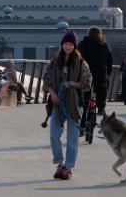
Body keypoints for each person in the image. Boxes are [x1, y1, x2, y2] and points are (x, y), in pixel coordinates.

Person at [42, 30, 92, 181]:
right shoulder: (55, 61)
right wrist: (53, 93)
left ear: (74, 46)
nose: (68, 47)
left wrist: (71, 84)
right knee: (54, 135)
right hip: (57, 103)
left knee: (72, 138)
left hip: (75, 104)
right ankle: (59, 163)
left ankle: (68, 167)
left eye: (71, 44)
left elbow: (87, 83)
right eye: (66, 44)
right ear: (62, 44)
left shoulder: (81, 63)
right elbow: (46, 81)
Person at [77, 26, 113, 115]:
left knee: (86, 90)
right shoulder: (104, 44)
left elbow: (77, 58)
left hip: (86, 71)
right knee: (102, 89)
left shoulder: (82, 44)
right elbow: (109, 59)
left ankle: (85, 106)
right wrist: (108, 71)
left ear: (88, 34)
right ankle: (101, 108)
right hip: (100, 72)